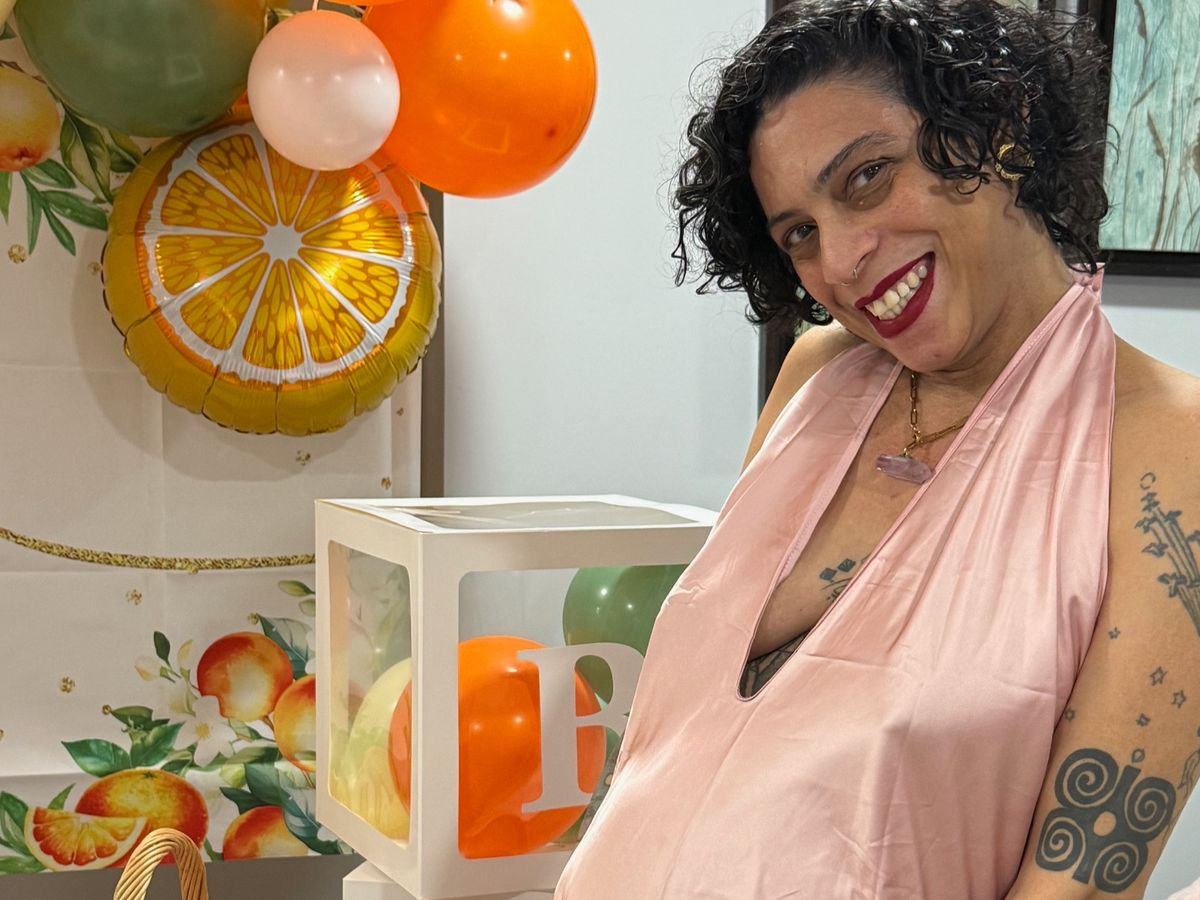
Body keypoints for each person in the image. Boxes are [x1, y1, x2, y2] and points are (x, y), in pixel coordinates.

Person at [554, 1, 1200, 897]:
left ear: (997, 130)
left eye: (866, 177)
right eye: (799, 234)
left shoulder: (1170, 445)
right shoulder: (815, 376)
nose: (842, 261)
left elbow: (1083, 880)